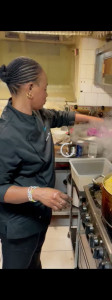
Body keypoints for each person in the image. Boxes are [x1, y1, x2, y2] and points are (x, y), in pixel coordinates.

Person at [0, 56, 103, 269]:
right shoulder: (6, 133)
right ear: (30, 89)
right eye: (45, 89)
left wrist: (97, 121)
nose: (46, 94)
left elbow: (61, 116)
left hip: (40, 216)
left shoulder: (37, 114)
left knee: (35, 263)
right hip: (19, 226)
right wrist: (36, 193)